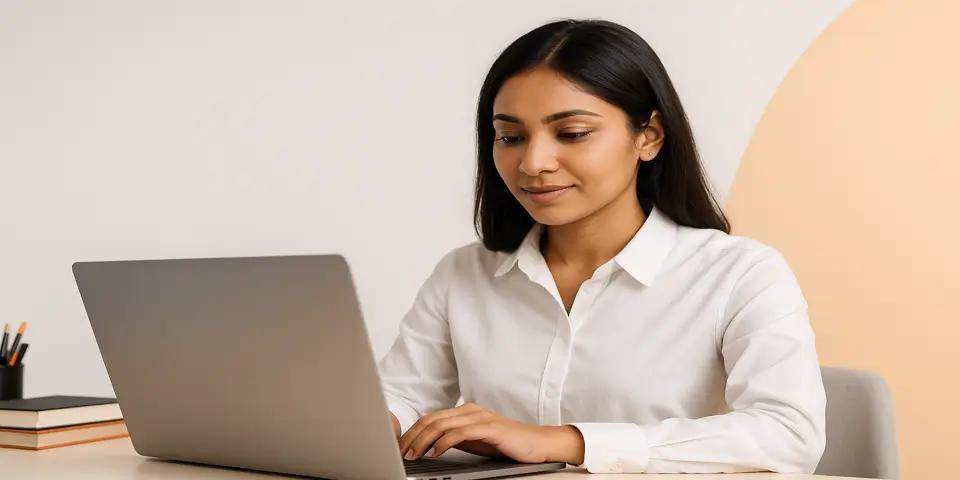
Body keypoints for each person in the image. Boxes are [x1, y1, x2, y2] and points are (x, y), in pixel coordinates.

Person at [377, 18, 826, 474]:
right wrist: (374, 423)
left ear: (648, 136)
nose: (533, 163)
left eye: (572, 134)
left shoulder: (740, 274)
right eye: (510, 137)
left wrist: (565, 442)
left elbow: (788, 434)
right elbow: (403, 395)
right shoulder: (463, 273)